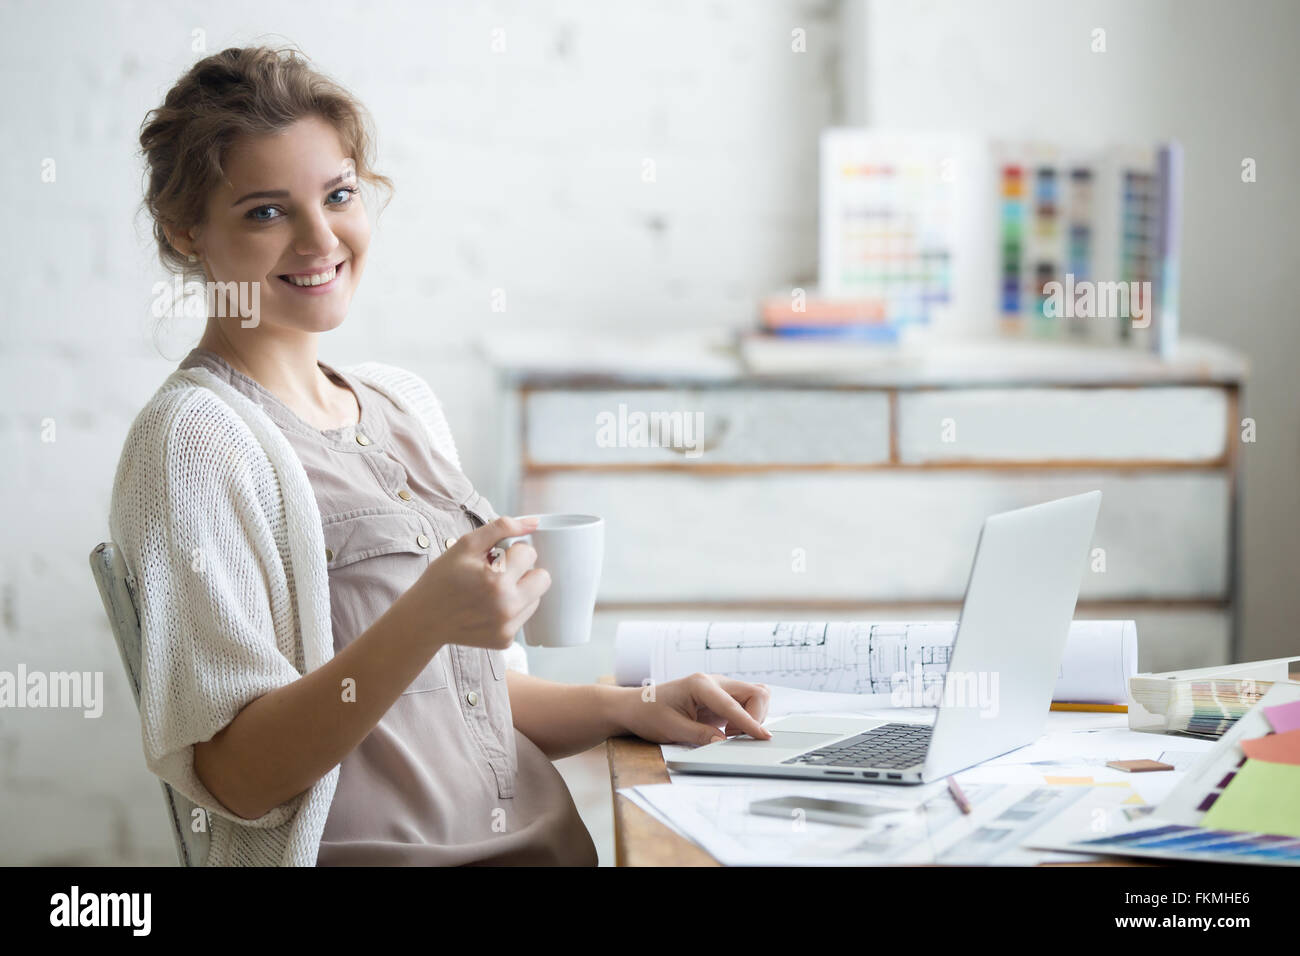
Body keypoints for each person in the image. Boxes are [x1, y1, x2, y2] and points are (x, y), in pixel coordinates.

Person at [109, 44, 771, 867]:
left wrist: (634, 705)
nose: (321, 240)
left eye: (339, 195)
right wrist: (424, 618)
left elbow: (477, 700)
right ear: (186, 232)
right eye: (266, 212)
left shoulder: (401, 405)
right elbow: (240, 780)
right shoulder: (194, 442)